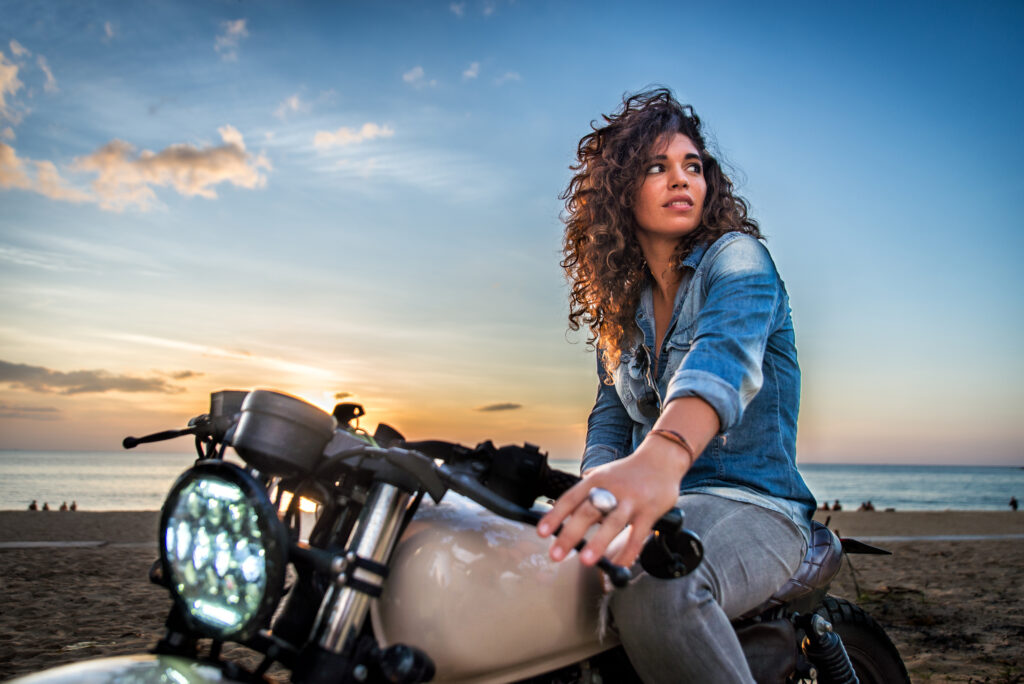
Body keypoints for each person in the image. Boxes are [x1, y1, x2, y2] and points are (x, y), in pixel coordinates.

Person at [537, 88, 816, 683]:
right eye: (657, 167)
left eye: (692, 166)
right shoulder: (621, 312)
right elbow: (609, 419)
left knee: (653, 583)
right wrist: (596, 490)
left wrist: (661, 457)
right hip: (661, 503)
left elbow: (722, 360)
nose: (680, 179)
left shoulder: (737, 260)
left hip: (753, 502)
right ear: (619, 193)